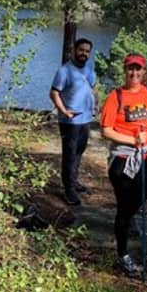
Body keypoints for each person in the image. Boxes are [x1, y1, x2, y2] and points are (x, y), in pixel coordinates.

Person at [100, 53, 147, 277]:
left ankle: (128, 219)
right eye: (130, 69)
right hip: (124, 157)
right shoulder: (115, 96)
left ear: (144, 71)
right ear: (125, 70)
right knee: (124, 208)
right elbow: (106, 130)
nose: (134, 73)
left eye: (138, 69)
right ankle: (122, 254)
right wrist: (132, 140)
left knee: (144, 195)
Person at [50, 38, 97, 206]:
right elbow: (54, 93)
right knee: (69, 155)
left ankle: (74, 180)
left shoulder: (90, 70)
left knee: (79, 151)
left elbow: (92, 88)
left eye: (87, 51)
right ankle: (68, 189)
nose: (84, 53)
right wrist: (63, 110)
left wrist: (94, 105)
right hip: (70, 121)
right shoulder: (64, 71)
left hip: (85, 119)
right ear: (74, 51)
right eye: (81, 50)